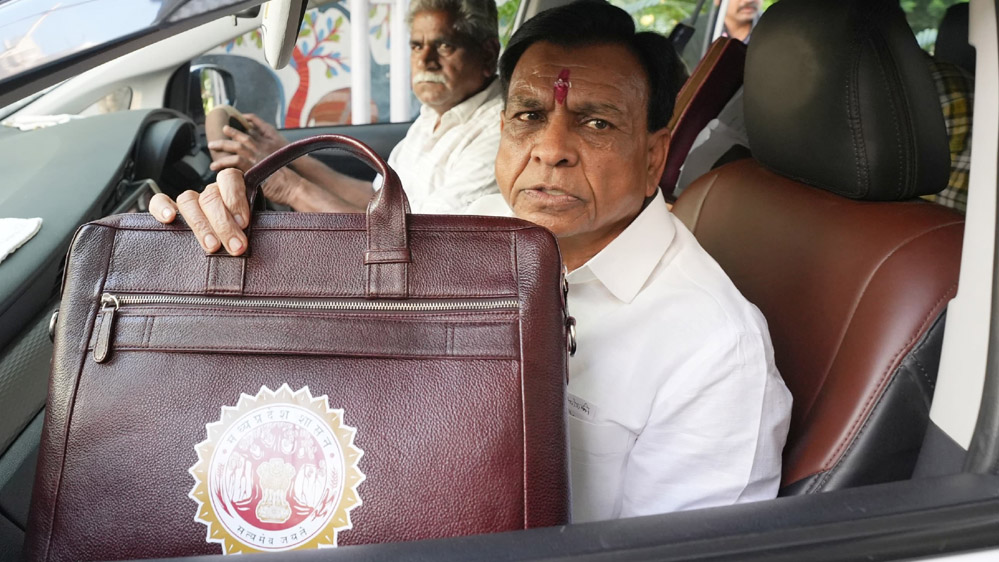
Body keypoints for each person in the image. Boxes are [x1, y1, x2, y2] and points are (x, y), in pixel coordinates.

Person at [150, 0, 792, 523]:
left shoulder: (713, 351)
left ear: (654, 156)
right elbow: (361, 294)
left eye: (596, 123)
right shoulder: (487, 237)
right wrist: (218, 244)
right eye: (529, 115)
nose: (551, 149)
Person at [207, 0, 504, 215]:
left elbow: (419, 247)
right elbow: (376, 199)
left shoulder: (499, 132)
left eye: (444, 46)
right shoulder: (432, 116)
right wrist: (286, 154)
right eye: (416, 46)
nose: (425, 60)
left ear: (488, 54)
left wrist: (290, 188)